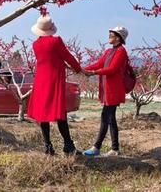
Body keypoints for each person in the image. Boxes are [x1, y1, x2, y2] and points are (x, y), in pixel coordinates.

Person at [27, 16, 83, 156]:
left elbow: (48, 58)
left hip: (40, 80)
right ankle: (68, 145)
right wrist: (78, 69)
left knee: (42, 114)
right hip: (53, 79)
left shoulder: (35, 44)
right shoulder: (56, 41)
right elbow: (67, 56)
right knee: (60, 112)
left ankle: (48, 146)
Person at [83, 26, 129, 157]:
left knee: (106, 117)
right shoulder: (109, 51)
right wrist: (83, 69)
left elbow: (112, 69)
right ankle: (113, 148)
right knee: (109, 118)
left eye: (112, 34)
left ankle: (98, 147)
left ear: (118, 38)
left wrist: (93, 72)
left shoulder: (121, 52)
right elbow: (99, 63)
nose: (109, 36)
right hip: (107, 90)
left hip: (113, 90)